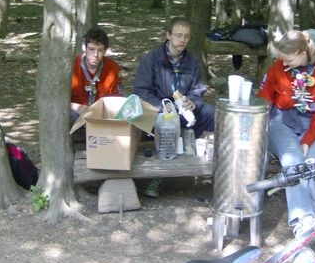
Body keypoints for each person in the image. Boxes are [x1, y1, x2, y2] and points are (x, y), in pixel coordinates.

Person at [257, 30, 315, 263]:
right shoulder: (277, 69)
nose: (283, 62)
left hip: (314, 126)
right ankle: (304, 224)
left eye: (288, 58)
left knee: (309, 163)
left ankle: (306, 228)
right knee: (293, 159)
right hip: (282, 123)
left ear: (303, 53)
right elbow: (263, 101)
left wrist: (309, 139)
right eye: (281, 57)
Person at [134, 16, 215, 197]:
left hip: (183, 110)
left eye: (186, 36)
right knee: (167, 123)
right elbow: (141, 91)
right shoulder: (151, 59)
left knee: (211, 114)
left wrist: (193, 101)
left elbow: (198, 89)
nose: (182, 40)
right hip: (158, 111)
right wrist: (163, 107)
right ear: (168, 35)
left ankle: (204, 163)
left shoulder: (192, 61)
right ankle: (159, 176)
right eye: (178, 35)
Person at [70, 27, 122, 125]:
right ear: (84, 48)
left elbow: (116, 101)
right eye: (91, 49)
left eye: (100, 50)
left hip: (102, 118)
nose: (95, 55)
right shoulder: (72, 67)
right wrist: (81, 109)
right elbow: (61, 101)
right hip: (76, 115)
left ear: (105, 51)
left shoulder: (113, 69)